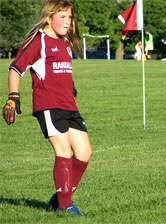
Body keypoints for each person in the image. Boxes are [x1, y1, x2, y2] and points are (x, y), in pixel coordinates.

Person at [2, 0, 91, 216]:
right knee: (64, 150)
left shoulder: (65, 43)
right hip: (49, 106)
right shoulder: (38, 41)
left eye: (70, 17)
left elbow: (61, 71)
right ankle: (65, 205)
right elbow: (16, 68)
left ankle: (60, 196)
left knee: (84, 153)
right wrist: (13, 97)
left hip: (69, 105)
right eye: (62, 17)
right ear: (49, 17)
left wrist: (71, 87)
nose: (67, 22)